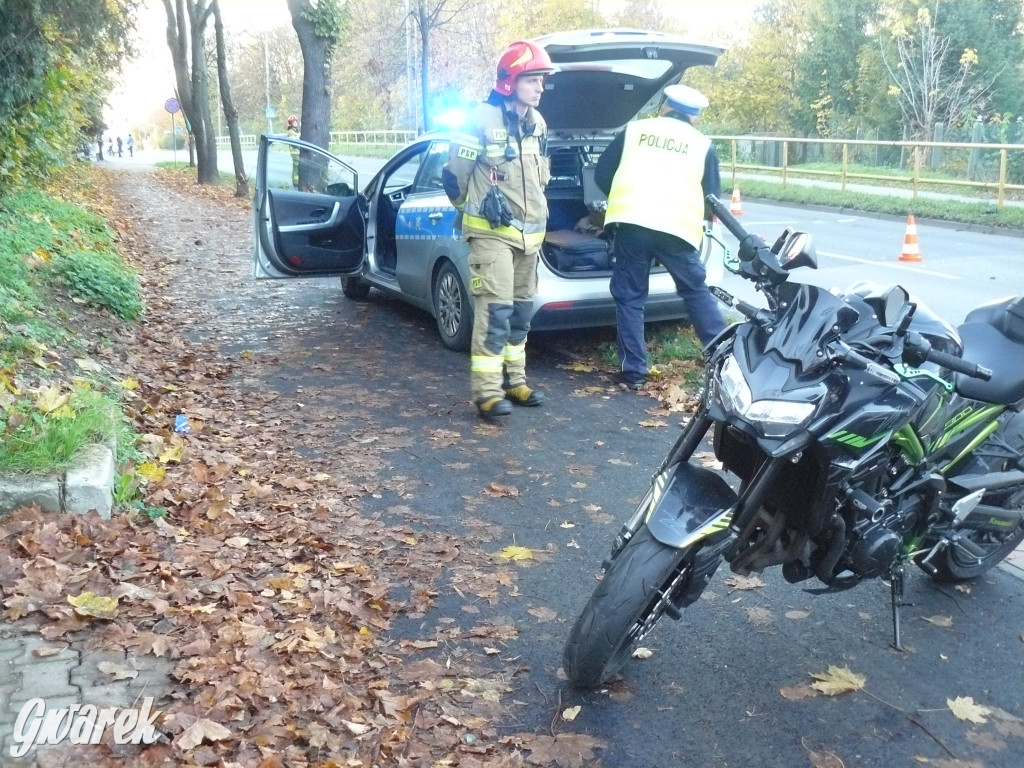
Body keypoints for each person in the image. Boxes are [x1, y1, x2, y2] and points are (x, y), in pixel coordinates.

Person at [443, 40, 553, 419]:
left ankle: (515, 381)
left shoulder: (538, 124)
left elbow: (540, 180)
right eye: (533, 79)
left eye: (542, 80)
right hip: (492, 237)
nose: (540, 87)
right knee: (495, 312)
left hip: (529, 239)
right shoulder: (480, 120)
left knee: (521, 315)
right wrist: (472, 210)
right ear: (511, 80)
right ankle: (487, 393)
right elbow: (453, 177)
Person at [595, 83, 726, 391]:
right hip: (678, 231)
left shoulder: (635, 130)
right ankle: (723, 357)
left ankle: (634, 373)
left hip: (632, 225)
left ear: (664, 106)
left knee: (630, 297)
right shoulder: (702, 144)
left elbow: (602, 174)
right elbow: (713, 198)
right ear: (695, 117)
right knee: (695, 292)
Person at [286, 115, 300, 187]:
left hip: (297, 152)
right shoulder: (291, 132)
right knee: (296, 167)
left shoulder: (295, 131)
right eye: (294, 122)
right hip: (295, 152)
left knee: (297, 167)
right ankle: (296, 182)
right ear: (291, 123)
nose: (295, 123)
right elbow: (294, 143)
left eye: (296, 122)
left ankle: (296, 181)